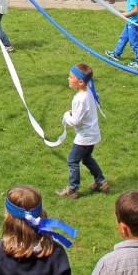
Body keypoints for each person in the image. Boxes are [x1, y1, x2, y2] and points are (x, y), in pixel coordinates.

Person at [56, 63, 109, 199]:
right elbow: (85, 112)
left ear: (80, 82)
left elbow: (75, 121)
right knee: (86, 158)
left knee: (72, 160)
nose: (68, 79)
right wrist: (74, 113)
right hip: (92, 133)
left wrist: (66, 115)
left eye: (70, 77)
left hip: (85, 137)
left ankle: (72, 189)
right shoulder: (88, 92)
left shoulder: (80, 98)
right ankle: (101, 182)